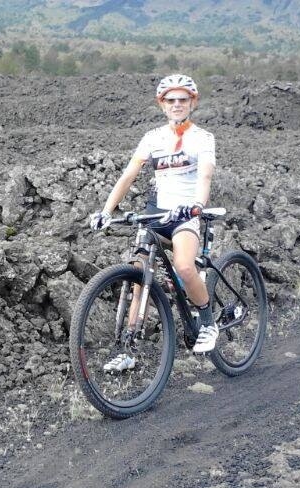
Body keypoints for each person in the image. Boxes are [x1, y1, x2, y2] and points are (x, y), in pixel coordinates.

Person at [89, 74, 219, 372]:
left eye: (182, 100)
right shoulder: (153, 138)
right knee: (139, 278)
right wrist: (106, 210)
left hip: (185, 214)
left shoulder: (203, 137)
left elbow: (205, 175)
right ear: (162, 105)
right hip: (156, 213)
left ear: (192, 103)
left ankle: (208, 322)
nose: (177, 105)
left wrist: (198, 205)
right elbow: (129, 175)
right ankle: (128, 350)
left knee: (184, 267)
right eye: (170, 100)